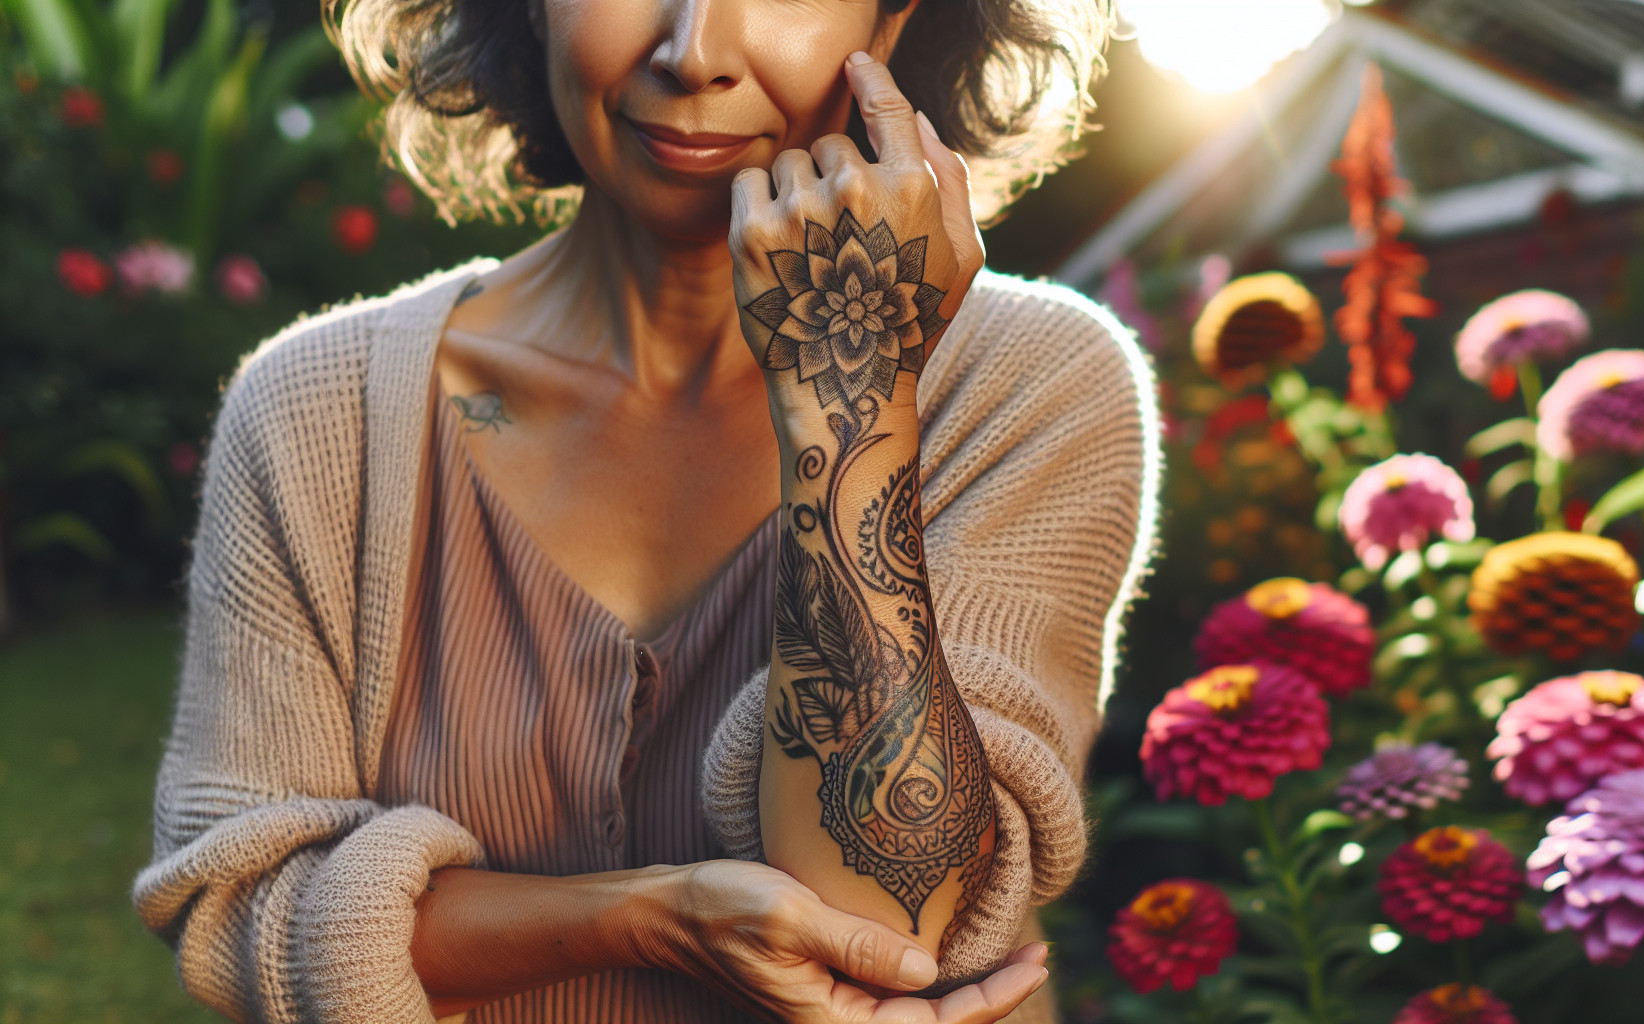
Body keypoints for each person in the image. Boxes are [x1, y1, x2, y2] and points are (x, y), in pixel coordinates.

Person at [132, 0, 1158, 1021]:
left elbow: (884, 903)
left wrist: (849, 396)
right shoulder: (321, 408)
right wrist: (647, 915)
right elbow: (243, 901)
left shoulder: (1035, 382)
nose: (694, 53)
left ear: (892, 24)